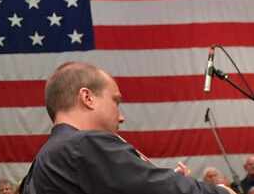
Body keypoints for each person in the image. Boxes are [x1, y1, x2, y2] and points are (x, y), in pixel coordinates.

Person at [19, 61, 235, 194]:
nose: (121, 117)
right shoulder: (82, 144)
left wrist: (155, 176)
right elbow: (155, 188)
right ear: (87, 98)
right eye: (116, 101)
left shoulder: (44, 161)